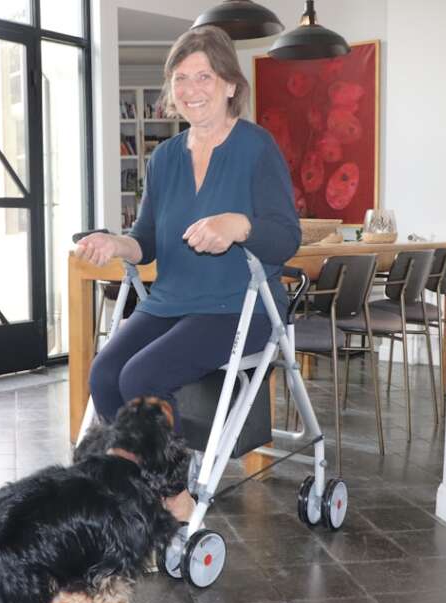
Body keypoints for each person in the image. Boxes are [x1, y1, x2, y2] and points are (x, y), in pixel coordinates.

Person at [74, 26, 301, 521]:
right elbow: (148, 240)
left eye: (205, 77)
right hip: (171, 300)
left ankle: (174, 494)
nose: (192, 89)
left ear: (230, 86)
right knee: (106, 374)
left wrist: (238, 225)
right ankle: (139, 483)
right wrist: (118, 243)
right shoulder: (165, 159)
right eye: (181, 78)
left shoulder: (256, 148)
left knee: (144, 375)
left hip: (237, 304)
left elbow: (286, 238)